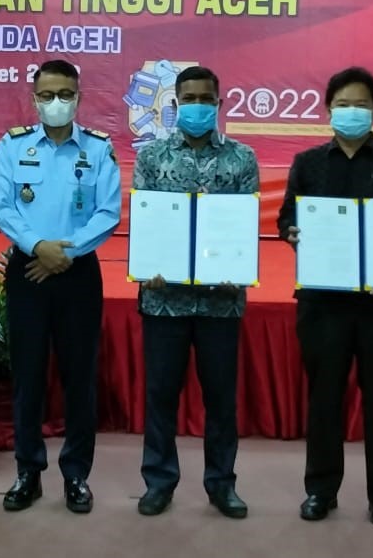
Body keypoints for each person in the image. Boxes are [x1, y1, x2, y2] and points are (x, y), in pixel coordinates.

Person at [277, 66, 373, 529]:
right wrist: (292, 232)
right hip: (323, 304)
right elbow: (287, 218)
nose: (351, 112)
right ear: (328, 110)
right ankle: (320, 491)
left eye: (360, 105)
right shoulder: (308, 163)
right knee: (324, 401)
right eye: (343, 105)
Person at [0, 59, 121, 514]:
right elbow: (2, 207)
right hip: (27, 270)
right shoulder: (13, 146)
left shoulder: (99, 148)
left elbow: (108, 212)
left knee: (79, 378)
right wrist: (38, 247)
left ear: (78, 98)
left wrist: (65, 253)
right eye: (47, 95)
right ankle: (28, 472)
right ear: (34, 99)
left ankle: (76, 474)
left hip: (78, 272)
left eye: (65, 94)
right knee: (27, 377)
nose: (56, 102)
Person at [133, 66, 259, 518]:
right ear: (175, 105)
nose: (197, 107)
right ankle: (159, 482)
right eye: (189, 99)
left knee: (221, 399)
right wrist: (147, 266)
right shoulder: (151, 157)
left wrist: (236, 267)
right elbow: (146, 221)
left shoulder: (242, 158)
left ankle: (221, 484)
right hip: (164, 300)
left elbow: (243, 228)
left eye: (206, 99)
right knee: (161, 396)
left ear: (219, 104)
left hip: (221, 303)